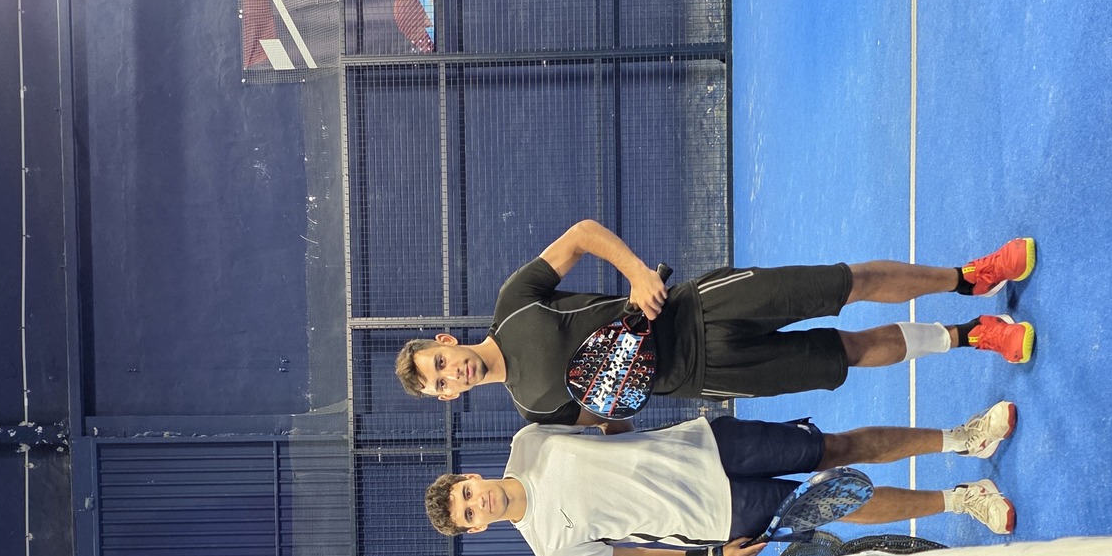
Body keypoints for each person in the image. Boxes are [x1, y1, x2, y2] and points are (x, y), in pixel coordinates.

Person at [395, 219, 1037, 427]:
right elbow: (609, 421)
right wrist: (615, 406)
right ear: (449, 398)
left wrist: (637, 275)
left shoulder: (515, 302)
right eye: (441, 384)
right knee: (847, 351)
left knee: (847, 283)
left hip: (702, 306)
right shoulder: (535, 409)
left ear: (446, 343)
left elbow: (583, 234)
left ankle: (967, 277)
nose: (452, 374)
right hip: (707, 374)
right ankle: (975, 335)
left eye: (440, 363)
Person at [422, 410, 1018, 556]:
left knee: (833, 449)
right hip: (716, 514)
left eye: (467, 494)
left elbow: (605, 421)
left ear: (470, 477)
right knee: (839, 504)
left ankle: (961, 437)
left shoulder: (530, 441)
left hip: (709, 444)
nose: (478, 503)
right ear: (478, 527)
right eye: (470, 515)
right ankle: (962, 498)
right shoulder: (549, 547)